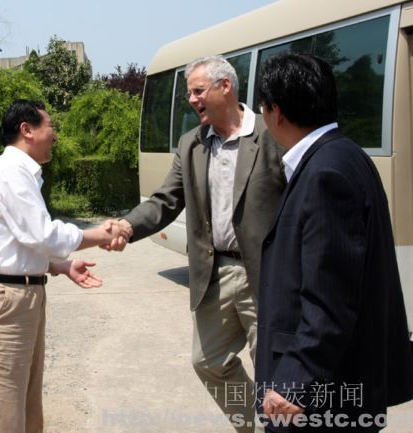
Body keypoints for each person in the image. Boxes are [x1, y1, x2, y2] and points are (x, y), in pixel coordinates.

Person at [106, 55, 286, 432]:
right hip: (214, 273)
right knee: (207, 361)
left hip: (265, 273)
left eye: (198, 91)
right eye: (190, 93)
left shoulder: (270, 134)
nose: (191, 99)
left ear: (226, 86)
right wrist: (126, 225)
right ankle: (256, 426)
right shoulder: (192, 144)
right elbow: (165, 200)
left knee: (274, 373)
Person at [255, 52, 413, 432]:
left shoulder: (325, 173)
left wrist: (295, 381)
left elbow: (330, 298)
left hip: (322, 397)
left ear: (276, 112)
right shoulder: (345, 155)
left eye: (263, 106)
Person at [0, 99, 125, 433]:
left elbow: (18, 240)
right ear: (27, 130)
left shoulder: (22, 173)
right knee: (0, 420)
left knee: (25, 413)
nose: (55, 135)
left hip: (19, 299)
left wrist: (59, 266)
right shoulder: (9, 170)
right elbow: (41, 233)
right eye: (51, 126)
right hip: (1, 302)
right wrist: (100, 234)